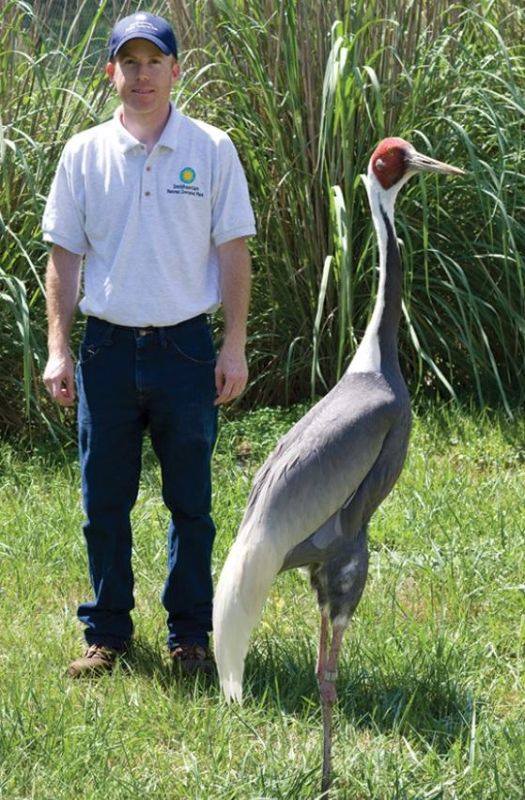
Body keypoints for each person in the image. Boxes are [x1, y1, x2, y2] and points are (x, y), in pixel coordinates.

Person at [42, 12, 256, 677]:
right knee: (103, 505)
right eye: (129, 63)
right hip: (105, 351)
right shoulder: (83, 153)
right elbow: (63, 256)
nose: (142, 75)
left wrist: (233, 346)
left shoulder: (211, 149)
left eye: (154, 61)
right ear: (111, 71)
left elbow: (234, 251)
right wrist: (59, 348)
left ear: (175, 70)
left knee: (191, 505)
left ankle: (189, 637)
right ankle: (106, 635)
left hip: (185, 351)